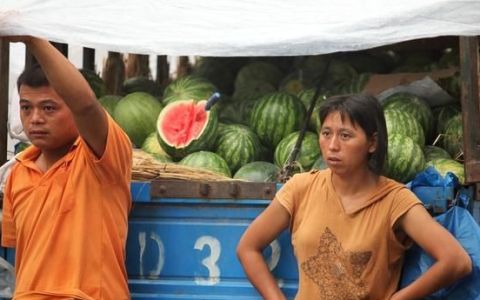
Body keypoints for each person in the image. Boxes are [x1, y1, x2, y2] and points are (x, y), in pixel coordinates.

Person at [236, 94, 472, 299]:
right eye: (326, 133)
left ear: (372, 142)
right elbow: (248, 248)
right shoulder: (301, 187)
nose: (332, 145)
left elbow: (456, 261)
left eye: (346, 135)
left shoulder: (395, 200)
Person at [1, 36, 132, 299]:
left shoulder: (102, 159)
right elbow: (19, 258)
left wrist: (31, 39)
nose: (35, 118)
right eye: (26, 108)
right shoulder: (17, 173)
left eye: (49, 108)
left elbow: (85, 104)